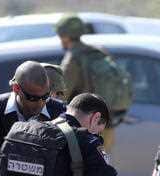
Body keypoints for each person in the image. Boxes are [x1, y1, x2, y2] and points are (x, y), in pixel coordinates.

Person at [55, 13, 131, 151]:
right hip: (105, 124)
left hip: (84, 129)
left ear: (64, 36)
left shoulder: (72, 59)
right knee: (102, 162)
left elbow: (60, 95)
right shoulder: (99, 52)